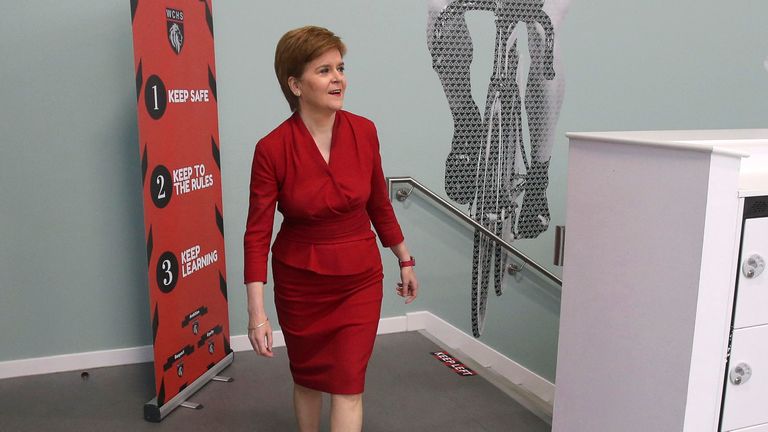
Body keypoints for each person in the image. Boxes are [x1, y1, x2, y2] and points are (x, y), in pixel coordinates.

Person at [243, 26, 419, 432]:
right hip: (301, 281)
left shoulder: (365, 131)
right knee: (307, 379)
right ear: (295, 84)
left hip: (359, 278)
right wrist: (257, 314)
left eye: (340, 68)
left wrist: (404, 257)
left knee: (347, 385)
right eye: (324, 70)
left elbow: (378, 202)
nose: (338, 78)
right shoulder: (271, 149)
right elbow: (257, 234)